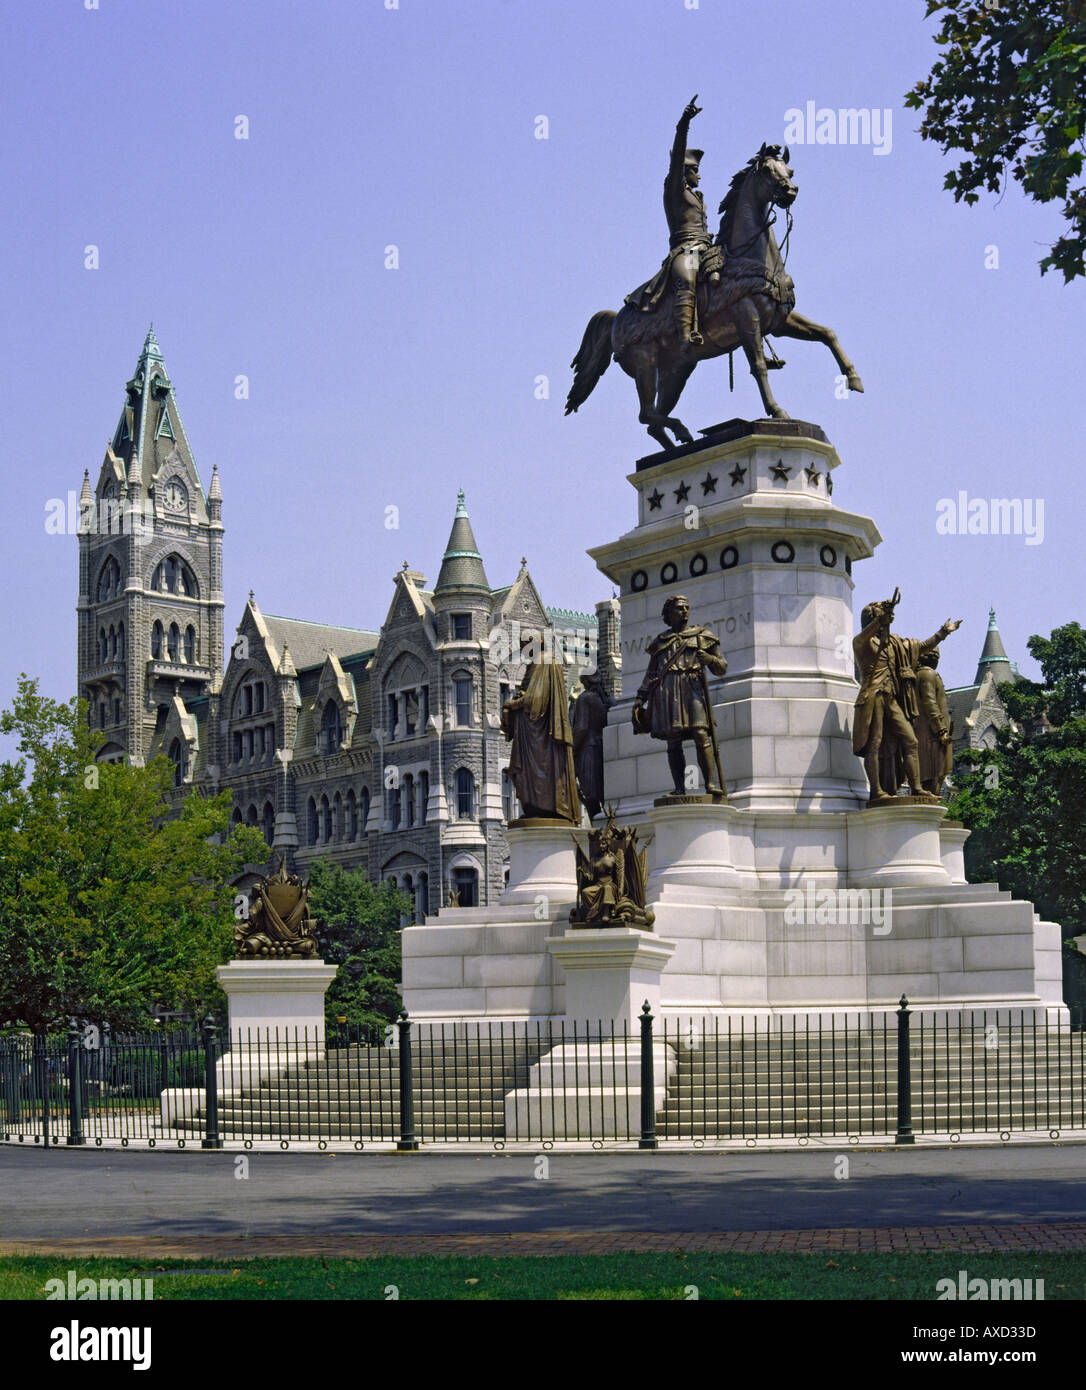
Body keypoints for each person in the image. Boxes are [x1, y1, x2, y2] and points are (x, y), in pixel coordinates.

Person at [853, 595, 961, 803]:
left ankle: (917, 787)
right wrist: (880, 621)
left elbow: (921, 647)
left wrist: (943, 633)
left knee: (910, 741)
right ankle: (876, 791)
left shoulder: (895, 644)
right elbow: (864, 636)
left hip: (891, 698)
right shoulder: (862, 643)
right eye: (880, 616)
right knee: (874, 744)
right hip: (873, 697)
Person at [633, 594, 727, 797]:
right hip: (667, 692)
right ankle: (679, 788)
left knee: (700, 733)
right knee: (673, 741)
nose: (684, 611)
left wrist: (709, 658)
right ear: (668, 614)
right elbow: (651, 673)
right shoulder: (660, 642)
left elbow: (722, 668)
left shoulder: (702, 636)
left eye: (686, 608)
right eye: (679, 608)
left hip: (692, 688)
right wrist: (641, 698)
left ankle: (710, 784)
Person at [501, 658, 579, 822]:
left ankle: (543, 806)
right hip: (532, 735)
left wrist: (513, 704)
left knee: (539, 772)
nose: (523, 652)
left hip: (537, 736)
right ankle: (536, 806)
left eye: (525, 645)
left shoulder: (543, 662)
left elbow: (534, 699)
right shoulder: (539, 663)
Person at [571, 670, 612, 820]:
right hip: (605, 749)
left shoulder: (585, 698)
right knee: (602, 791)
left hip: (588, 749)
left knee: (589, 792)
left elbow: (581, 727)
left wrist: (571, 749)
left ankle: (597, 825)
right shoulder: (610, 701)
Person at [916, 649, 953, 797]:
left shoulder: (922, 674)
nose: (937, 658)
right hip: (932, 735)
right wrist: (941, 731)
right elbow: (930, 703)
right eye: (934, 655)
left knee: (934, 775)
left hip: (929, 732)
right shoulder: (928, 674)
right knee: (933, 773)